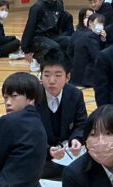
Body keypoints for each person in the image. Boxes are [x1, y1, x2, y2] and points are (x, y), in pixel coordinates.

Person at [37, 50, 88, 179]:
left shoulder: (75, 94)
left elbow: (81, 124)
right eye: (46, 75)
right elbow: (30, 132)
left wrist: (77, 139)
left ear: (67, 77)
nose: (51, 81)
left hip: (68, 154)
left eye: (58, 75)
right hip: (42, 155)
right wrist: (48, 150)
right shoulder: (34, 97)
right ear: (40, 76)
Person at [22, 0, 72, 70]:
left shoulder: (59, 4)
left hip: (52, 36)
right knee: (54, 47)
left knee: (70, 41)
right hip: (37, 38)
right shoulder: (37, 7)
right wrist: (26, 50)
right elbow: (29, 28)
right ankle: (37, 59)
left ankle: (65, 65)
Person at [71, 7, 104, 86]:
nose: (100, 26)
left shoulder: (82, 34)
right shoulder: (91, 37)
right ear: (90, 23)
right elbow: (98, 57)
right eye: (98, 23)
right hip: (86, 78)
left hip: (75, 76)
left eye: (102, 24)